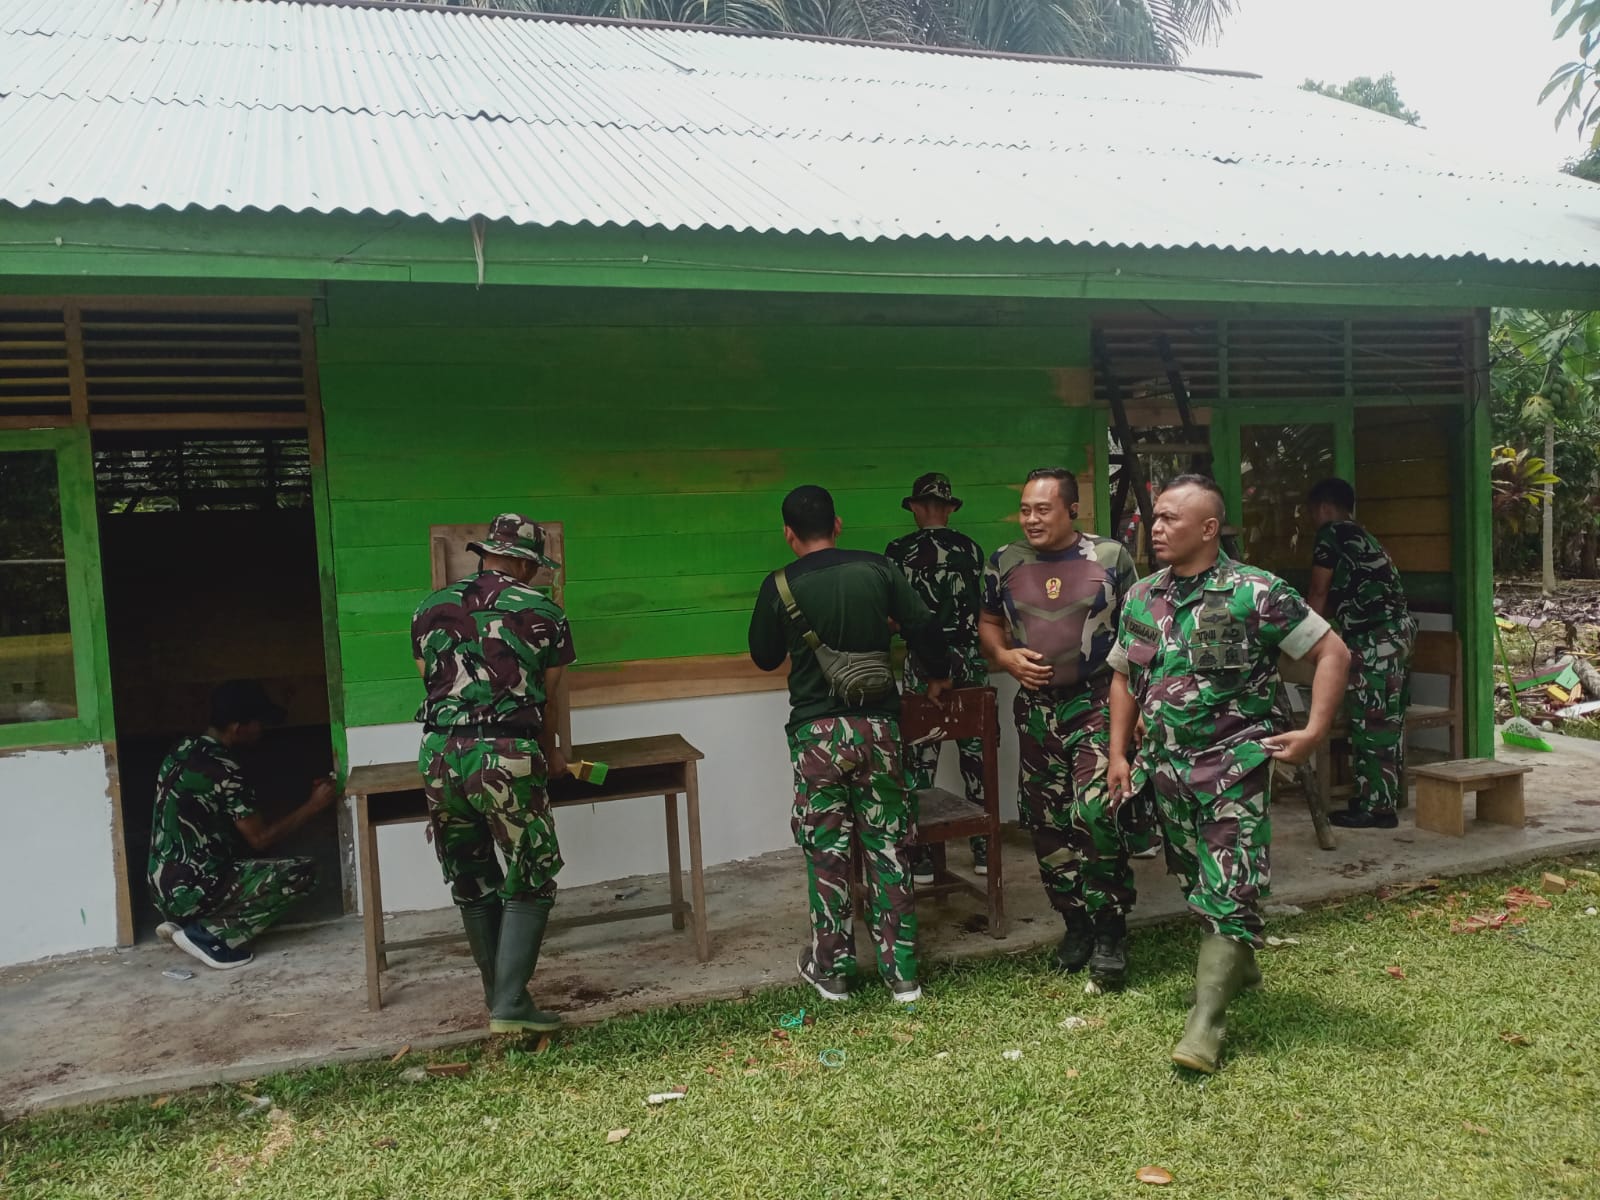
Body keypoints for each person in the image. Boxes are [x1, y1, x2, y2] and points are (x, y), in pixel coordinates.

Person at [1107, 475, 1349, 1074]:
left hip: (1233, 765)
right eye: (1156, 518)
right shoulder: (1141, 596)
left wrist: (1314, 731)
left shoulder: (1255, 591)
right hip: (1165, 768)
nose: (1157, 528)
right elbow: (1124, 675)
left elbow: (1332, 653)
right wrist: (1118, 754)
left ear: (1209, 529)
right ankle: (1239, 962)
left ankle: (1206, 1024)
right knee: (1197, 880)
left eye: (1171, 518)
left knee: (1229, 884)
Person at [748, 485, 951, 1005]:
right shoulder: (879, 569)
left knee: (827, 850)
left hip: (816, 736)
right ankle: (902, 974)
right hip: (879, 730)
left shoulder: (779, 585)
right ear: (837, 524)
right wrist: (938, 676)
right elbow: (924, 626)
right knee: (889, 846)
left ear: (788, 534)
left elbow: (764, 657)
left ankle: (833, 970)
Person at [979, 467, 1142, 990]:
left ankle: (1110, 928)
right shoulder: (1004, 561)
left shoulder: (1110, 557)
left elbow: (1139, 632)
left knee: (1096, 811)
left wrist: (1138, 708)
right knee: (1046, 819)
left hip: (1098, 703)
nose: (1031, 519)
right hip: (1036, 710)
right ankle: (1075, 923)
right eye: (1025, 509)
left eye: (1042, 509)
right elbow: (988, 622)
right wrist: (1005, 657)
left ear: (1072, 510)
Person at [412, 514, 574, 1033]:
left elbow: (431, 683)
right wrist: (552, 756)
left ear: (486, 554)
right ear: (525, 563)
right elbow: (548, 696)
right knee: (532, 871)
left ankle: (498, 996)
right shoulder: (545, 612)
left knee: (472, 876)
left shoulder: (427, 609)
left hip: (440, 755)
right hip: (506, 752)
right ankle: (510, 1003)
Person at [149, 680, 335, 970]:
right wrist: (313, 806)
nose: (262, 729)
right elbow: (260, 838)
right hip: (194, 888)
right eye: (258, 722)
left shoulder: (181, 750)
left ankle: (188, 922)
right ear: (237, 728)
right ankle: (209, 935)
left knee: (243, 857)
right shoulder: (226, 770)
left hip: (162, 887)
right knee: (302, 873)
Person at [883, 471, 990, 882]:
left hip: (923, 659)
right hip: (970, 657)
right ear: (949, 509)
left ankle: (923, 855)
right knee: (976, 752)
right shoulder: (972, 549)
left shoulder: (897, 552)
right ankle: (983, 850)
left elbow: (894, 616)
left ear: (914, 507)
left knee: (919, 756)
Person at [1305, 477, 1418, 830]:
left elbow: (1318, 591)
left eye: (1312, 512)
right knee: (1384, 718)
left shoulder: (1332, 533)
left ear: (1324, 508)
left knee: (1373, 720)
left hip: (1376, 638)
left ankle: (1378, 810)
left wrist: (1303, 637)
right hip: (1394, 634)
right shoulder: (1362, 535)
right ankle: (1376, 795)